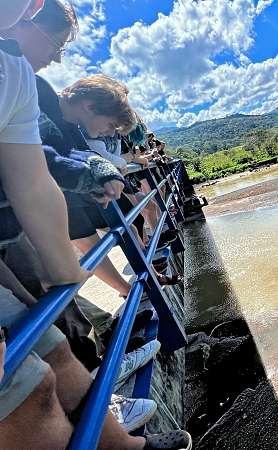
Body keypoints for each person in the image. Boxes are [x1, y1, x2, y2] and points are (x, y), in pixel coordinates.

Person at [0, 2, 191, 448]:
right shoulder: (28, 81)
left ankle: (123, 441)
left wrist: (65, 269)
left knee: (52, 346)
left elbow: (34, 174)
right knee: (27, 394)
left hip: (11, 235)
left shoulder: (13, 71)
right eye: (57, 44)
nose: (57, 57)